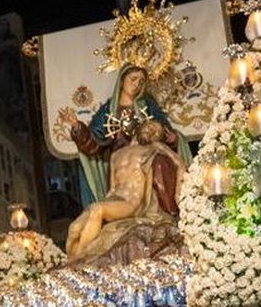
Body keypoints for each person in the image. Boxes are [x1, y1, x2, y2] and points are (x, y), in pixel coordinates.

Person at [60, 64, 190, 207]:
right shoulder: (108, 111)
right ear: (122, 80)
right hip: (122, 160)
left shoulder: (148, 105)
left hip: (150, 155)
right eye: (133, 79)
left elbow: (165, 132)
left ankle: (167, 212)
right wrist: (76, 126)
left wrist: (170, 137)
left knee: (159, 163)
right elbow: (93, 144)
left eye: (141, 82)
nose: (136, 85)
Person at [65, 118, 187, 259]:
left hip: (131, 203)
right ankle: (70, 259)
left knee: (97, 210)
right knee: (74, 228)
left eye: (156, 132)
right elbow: (112, 187)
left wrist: (179, 196)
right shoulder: (116, 155)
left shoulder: (154, 148)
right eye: (149, 126)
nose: (151, 130)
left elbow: (179, 164)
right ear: (139, 128)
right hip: (114, 199)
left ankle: (80, 260)